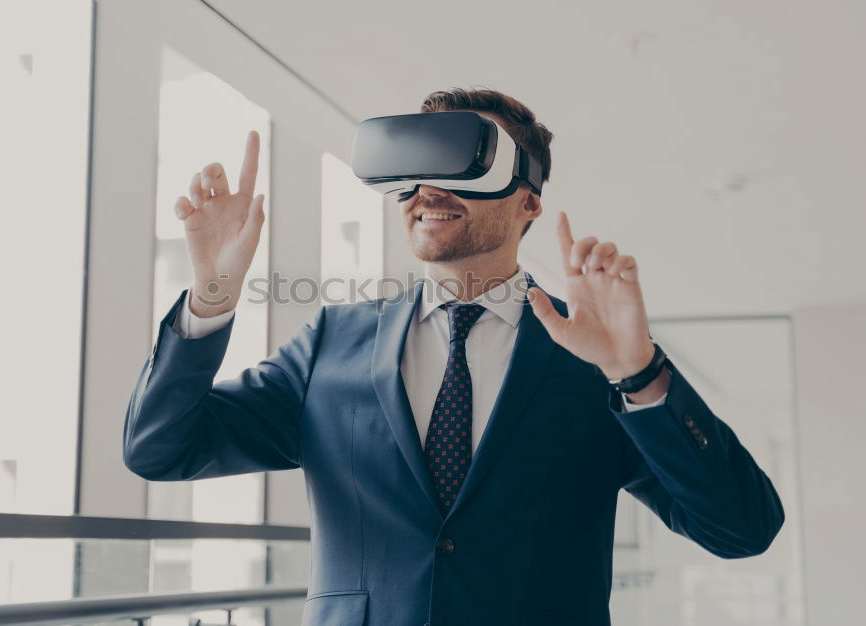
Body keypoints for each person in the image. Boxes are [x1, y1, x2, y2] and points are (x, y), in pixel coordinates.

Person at [123, 87, 784, 626]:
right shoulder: (332, 343)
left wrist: (637, 373)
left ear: (529, 200)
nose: (425, 190)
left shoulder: (594, 360)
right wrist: (212, 295)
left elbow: (742, 528)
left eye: (459, 165)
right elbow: (160, 449)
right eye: (411, 171)